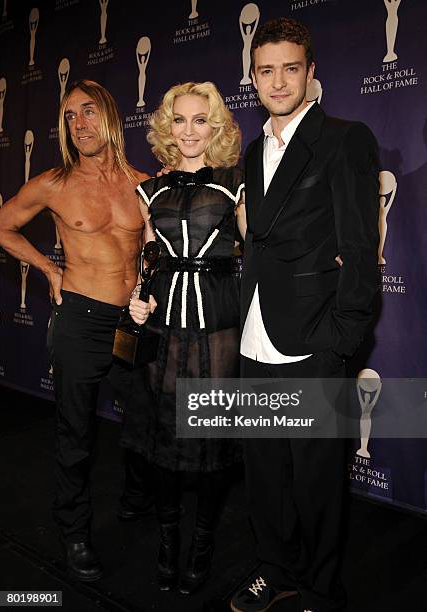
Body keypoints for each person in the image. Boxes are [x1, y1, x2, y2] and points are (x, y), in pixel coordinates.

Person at [231, 18, 379, 612]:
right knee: (265, 471)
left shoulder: (344, 139)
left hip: (315, 335)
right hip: (256, 333)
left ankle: (320, 585)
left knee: (317, 478)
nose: (278, 80)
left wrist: (343, 338)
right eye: (266, 70)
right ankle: (276, 566)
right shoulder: (250, 149)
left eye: (291, 68)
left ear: (311, 73)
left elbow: (361, 246)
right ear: (254, 78)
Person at [0, 79, 152, 582]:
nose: (79, 124)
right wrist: (48, 267)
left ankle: (135, 497)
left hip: (130, 321)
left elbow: (157, 249)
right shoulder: (54, 184)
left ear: (109, 115)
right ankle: (75, 532)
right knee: (75, 433)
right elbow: (3, 225)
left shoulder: (142, 182)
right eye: (69, 116)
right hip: (81, 318)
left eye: (88, 112)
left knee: (145, 421)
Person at [123, 81, 246, 594]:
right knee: (166, 437)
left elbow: (257, 251)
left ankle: (201, 541)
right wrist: (137, 294)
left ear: (215, 127)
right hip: (164, 319)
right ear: (166, 127)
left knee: (212, 438)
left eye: (201, 120)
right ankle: (169, 540)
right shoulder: (150, 190)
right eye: (180, 119)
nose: (190, 130)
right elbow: (148, 257)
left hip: (218, 316)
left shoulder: (234, 184)